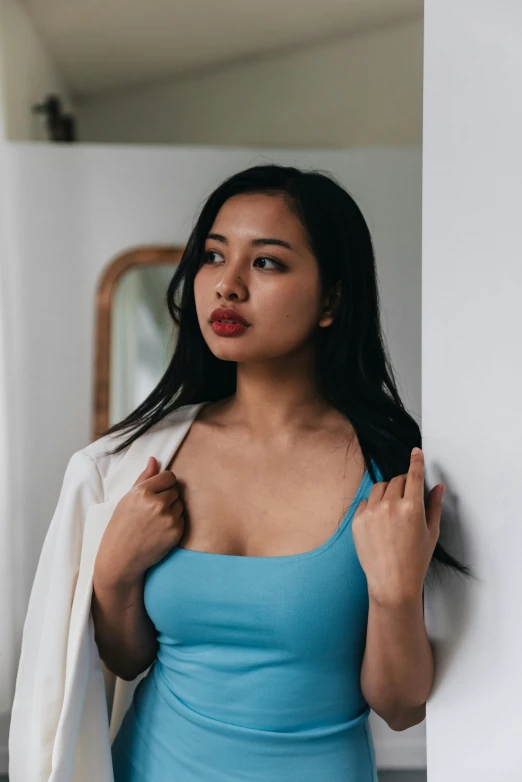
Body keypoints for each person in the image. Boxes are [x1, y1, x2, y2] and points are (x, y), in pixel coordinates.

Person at [91, 164, 473, 781]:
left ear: (331, 299)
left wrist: (394, 591)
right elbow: (126, 660)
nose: (227, 286)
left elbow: (400, 707)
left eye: (266, 262)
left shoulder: (391, 470)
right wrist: (114, 573)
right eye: (214, 256)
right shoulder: (153, 454)